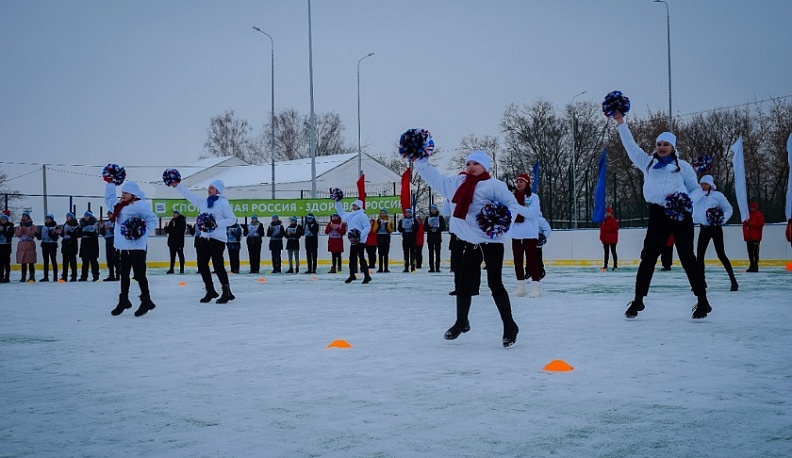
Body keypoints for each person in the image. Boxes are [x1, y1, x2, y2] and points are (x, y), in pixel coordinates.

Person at [413, 150, 534, 348]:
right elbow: (435, 179)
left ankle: (510, 326)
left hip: (492, 242)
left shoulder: (494, 185)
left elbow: (511, 205)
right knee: (463, 283)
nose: (471, 167)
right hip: (470, 242)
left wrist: (501, 221)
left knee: (495, 283)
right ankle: (462, 322)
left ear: (484, 167)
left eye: (475, 164)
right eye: (468, 163)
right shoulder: (457, 183)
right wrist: (420, 161)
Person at [613, 111, 710, 319]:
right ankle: (638, 300)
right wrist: (621, 122)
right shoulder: (648, 164)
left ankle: (703, 300)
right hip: (658, 214)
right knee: (648, 257)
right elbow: (631, 147)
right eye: (659, 144)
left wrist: (685, 202)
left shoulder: (682, 167)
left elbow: (695, 189)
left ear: (673, 147)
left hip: (680, 214)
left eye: (666, 144)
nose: (662, 147)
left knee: (687, 257)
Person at [171, 178, 237, 303]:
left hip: (217, 239)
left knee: (218, 266)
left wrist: (215, 223)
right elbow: (189, 195)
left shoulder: (223, 203)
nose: (209, 189)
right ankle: (210, 290)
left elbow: (232, 219)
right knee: (202, 265)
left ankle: (226, 291)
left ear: (218, 190)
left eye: (212, 188)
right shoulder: (203, 202)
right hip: (204, 238)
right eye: (209, 187)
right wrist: (177, 185)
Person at [106, 180, 159, 316]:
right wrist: (111, 183)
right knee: (123, 274)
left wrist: (141, 233)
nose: (122, 195)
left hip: (136, 248)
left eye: (125, 193)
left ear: (133, 194)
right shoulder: (119, 206)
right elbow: (109, 199)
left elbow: (152, 219)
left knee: (139, 275)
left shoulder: (140, 205)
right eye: (122, 192)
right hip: (123, 247)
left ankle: (146, 300)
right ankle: (124, 300)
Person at [693, 175, 738, 291]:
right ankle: (701, 282)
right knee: (700, 256)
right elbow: (692, 209)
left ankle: (733, 280)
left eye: (706, 184)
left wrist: (721, 220)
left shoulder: (717, 196)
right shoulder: (697, 196)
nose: (703, 186)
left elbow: (728, 209)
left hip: (715, 228)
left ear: (710, 185)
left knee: (721, 254)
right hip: (704, 228)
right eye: (702, 184)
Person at [510, 173, 542, 297]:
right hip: (516, 234)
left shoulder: (533, 197)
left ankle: (536, 286)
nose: (518, 184)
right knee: (517, 261)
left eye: (521, 182)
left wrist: (517, 207)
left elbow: (532, 214)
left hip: (529, 234)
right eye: (517, 182)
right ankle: (521, 287)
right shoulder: (511, 198)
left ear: (527, 183)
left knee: (531, 260)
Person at [334, 199, 372, 284]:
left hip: (360, 241)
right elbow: (341, 212)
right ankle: (352, 275)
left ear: (359, 206)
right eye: (353, 205)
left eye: (355, 205)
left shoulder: (362, 215)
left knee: (361, 258)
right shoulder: (350, 215)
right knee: (352, 259)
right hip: (353, 241)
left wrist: (359, 236)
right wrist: (337, 202)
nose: (353, 207)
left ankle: (367, 276)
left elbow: (367, 227)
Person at [77, 210, 100, 282]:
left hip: (93, 243)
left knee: (93, 260)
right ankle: (84, 276)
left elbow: (96, 233)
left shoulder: (95, 224)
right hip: (84, 243)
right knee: (84, 261)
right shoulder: (81, 224)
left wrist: (87, 233)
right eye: (85, 216)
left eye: (87, 216)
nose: (85, 217)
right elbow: (79, 235)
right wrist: (79, 231)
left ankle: (95, 275)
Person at [14, 211, 37, 282]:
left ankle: (32, 276)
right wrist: (21, 228)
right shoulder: (20, 226)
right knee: (23, 262)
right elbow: (18, 234)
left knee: (31, 262)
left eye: (25, 216)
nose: (24, 217)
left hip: (30, 244)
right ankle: (23, 276)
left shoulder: (32, 226)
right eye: (23, 216)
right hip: (22, 245)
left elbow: (32, 234)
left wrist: (25, 229)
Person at [743, 201, 765, 272]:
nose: (752, 209)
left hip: (755, 237)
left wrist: (750, 224)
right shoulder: (748, 215)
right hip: (749, 237)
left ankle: (755, 265)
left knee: (755, 252)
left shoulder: (759, 215)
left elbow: (760, 224)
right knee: (750, 252)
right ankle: (752, 265)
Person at [38, 213, 59, 282]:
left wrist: (50, 234)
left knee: (53, 260)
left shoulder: (55, 227)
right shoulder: (43, 227)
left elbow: (55, 238)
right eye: (46, 219)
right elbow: (40, 237)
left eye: (49, 219)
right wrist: (36, 234)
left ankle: (55, 277)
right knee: (46, 261)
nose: (47, 220)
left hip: (52, 245)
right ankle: (45, 277)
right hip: (45, 245)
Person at [425, 204, 446, 273]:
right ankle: (431, 268)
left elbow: (443, 227)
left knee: (437, 253)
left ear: (436, 210)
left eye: (434, 209)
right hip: (430, 238)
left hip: (437, 238)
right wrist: (429, 227)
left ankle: (437, 267)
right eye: (432, 209)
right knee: (431, 253)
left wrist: (437, 230)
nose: (433, 210)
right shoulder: (427, 218)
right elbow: (424, 228)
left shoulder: (440, 218)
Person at [58, 212, 79, 282]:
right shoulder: (65, 224)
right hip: (65, 245)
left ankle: (74, 276)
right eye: (66, 216)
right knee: (65, 262)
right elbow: (63, 234)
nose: (67, 218)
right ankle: (64, 276)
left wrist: (69, 233)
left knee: (72, 261)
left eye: (68, 216)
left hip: (72, 245)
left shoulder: (76, 225)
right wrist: (60, 233)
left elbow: (76, 234)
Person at [164, 209, 187, 274]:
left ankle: (182, 269)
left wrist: (174, 227)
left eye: (175, 213)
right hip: (172, 242)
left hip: (179, 242)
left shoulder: (182, 221)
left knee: (180, 255)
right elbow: (169, 231)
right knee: (172, 256)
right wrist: (166, 227)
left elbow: (180, 231)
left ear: (178, 214)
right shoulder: (172, 221)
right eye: (173, 213)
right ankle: (171, 269)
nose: (173, 215)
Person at [99, 211, 119, 281]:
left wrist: (110, 229)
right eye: (108, 214)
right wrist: (101, 228)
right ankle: (111, 274)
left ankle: (118, 275)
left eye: (110, 214)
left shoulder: (116, 222)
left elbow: (117, 231)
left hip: (114, 241)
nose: (109, 215)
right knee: (109, 259)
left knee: (116, 259)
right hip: (108, 241)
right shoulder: (106, 223)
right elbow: (102, 233)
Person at [599, 207, 619, 271]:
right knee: (606, 253)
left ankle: (615, 266)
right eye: (606, 213)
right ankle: (605, 266)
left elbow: (614, 228)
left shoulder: (613, 221)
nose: (607, 214)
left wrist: (606, 229)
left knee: (613, 252)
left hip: (612, 239)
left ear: (611, 213)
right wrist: (601, 237)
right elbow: (602, 230)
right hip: (605, 240)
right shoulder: (604, 221)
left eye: (608, 213)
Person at [397, 208, 417, 272]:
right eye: (407, 213)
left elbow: (416, 229)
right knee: (406, 253)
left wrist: (413, 225)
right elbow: (399, 229)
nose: (408, 214)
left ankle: (413, 267)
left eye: (409, 213)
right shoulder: (402, 220)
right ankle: (406, 267)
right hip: (405, 239)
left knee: (413, 253)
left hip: (412, 239)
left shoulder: (414, 220)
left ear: (411, 213)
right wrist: (403, 228)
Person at [537, 213, 551, 279]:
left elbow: (547, 229)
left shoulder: (540, 220)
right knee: (530, 256)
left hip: (537, 242)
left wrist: (542, 237)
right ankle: (529, 271)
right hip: (529, 240)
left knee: (537, 256)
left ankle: (540, 271)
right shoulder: (527, 219)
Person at [0, 212, 13, 283]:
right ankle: (1, 277)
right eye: (2, 219)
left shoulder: (10, 227)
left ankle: (7, 277)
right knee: (0, 263)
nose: (3, 220)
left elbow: (9, 236)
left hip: (6, 246)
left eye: (4, 219)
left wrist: (3, 231)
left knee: (6, 262)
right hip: (0, 245)